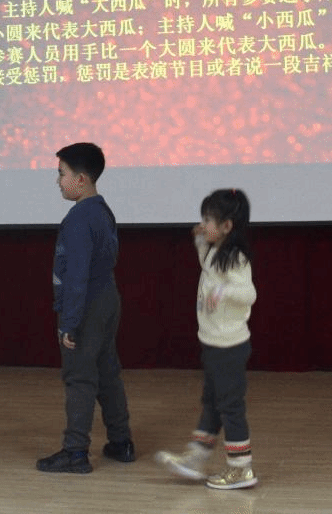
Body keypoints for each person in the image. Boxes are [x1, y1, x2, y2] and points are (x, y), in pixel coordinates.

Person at [36, 142, 134, 474]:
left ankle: (75, 452)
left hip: (87, 304)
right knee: (107, 372)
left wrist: (70, 322)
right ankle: (121, 442)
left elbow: (77, 274)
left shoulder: (79, 218)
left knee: (79, 376)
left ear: (81, 179)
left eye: (61, 174)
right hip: (107, 298)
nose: (58, 181)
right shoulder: (103, 210)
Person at [154, 188, 259, 490]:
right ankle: (196, 458)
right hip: (213, 343)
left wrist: (223, 291)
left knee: (230, 407)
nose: (202, 224)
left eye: (208, 220)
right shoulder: (215, 251)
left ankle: (241, 468)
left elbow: (249, 293)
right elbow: (206, 263)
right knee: (212, 403)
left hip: (229, 347)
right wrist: (200, 239)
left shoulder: (236, 258)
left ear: (227, 226)